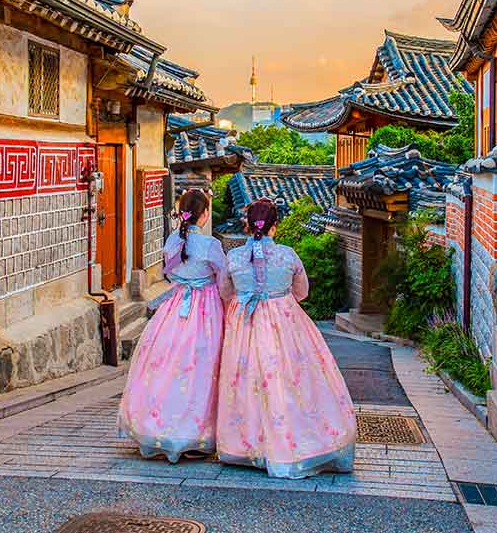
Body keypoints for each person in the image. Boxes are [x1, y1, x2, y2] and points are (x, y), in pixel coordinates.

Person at [216, 198, 356, 479]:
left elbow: (224, 292)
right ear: (275, 226)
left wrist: (247, 296)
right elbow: (302, 291)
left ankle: (246, 446)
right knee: (291, 380)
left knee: (246, 379)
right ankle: (294, 442)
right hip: (285, 322)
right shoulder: (288, 255)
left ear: (246, 224)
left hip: (245, 323)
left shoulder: (233, 258)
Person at [117, 188, 227, 462]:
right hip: (205, 309)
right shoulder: (210, 245)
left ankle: (160, 425)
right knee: (202, 366)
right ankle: (196, 433)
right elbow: (223, 280)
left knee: (169, 365)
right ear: (203, 214)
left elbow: (170, 274)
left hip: (176, 307)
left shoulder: (171, 242)